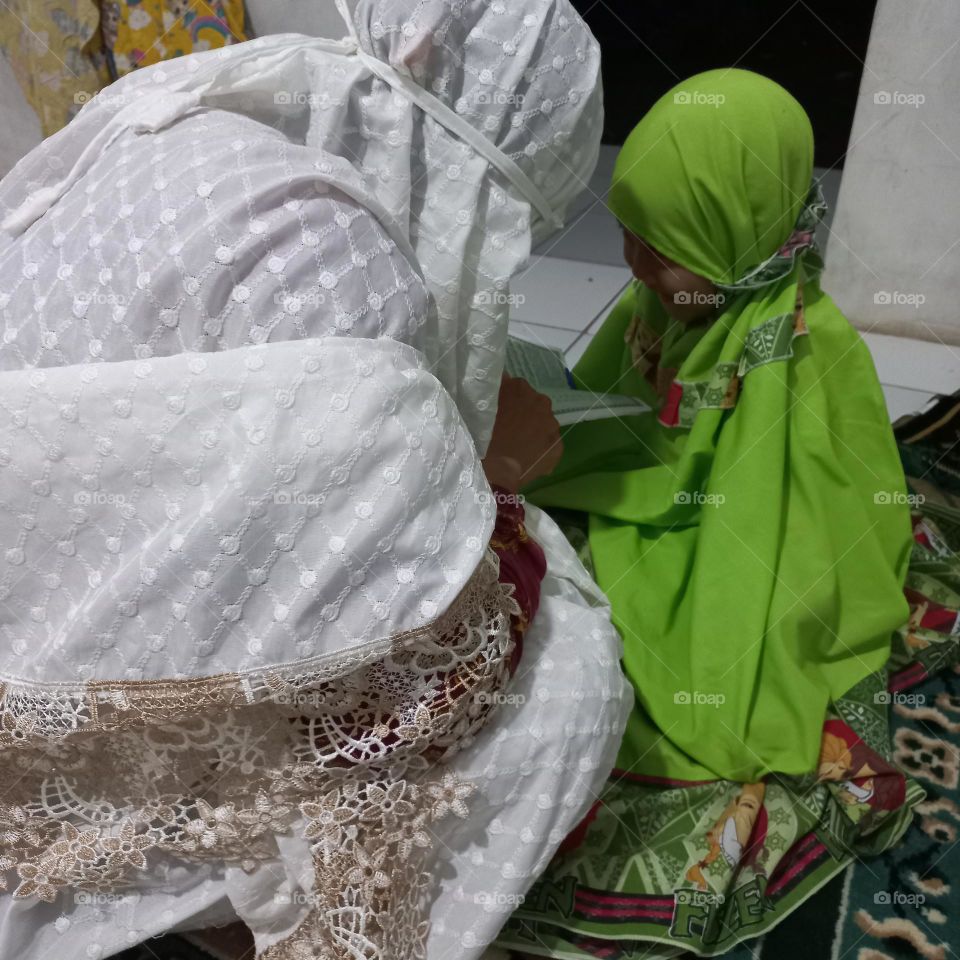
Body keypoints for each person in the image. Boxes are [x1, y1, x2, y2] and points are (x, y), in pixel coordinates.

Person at [0, 3, 632, 959]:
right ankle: (217, 901)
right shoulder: (357, 285)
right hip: (72, 732)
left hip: (30, 597)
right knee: (571, 672)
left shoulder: (185, 115)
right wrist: (498, 481)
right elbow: (397, 679)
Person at [495, 69, 958, 957]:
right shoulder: (679, 293)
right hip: (675, 483)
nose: (633, 265)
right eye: (630, 236)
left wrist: (631, 494)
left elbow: (770, 542)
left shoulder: (803, 360)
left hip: (752, 533)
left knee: (680, 666)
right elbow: (624, 402)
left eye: (660, 252)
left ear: (737, 242)